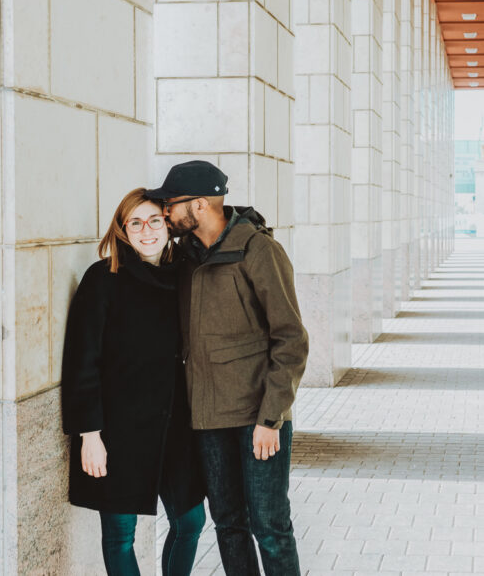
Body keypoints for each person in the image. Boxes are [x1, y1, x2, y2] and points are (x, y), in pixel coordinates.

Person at [146, 161, 308, 576]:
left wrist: (270, 418)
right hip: (208, 421)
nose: (165, 212)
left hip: (258, 420)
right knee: (229, 525)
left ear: (199, 205)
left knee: (270, 526)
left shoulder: (258, 251)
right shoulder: (182, 258)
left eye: (170, 204)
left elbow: (290, 340)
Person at [61, 188, 206, 575]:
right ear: (123, 230)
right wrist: (89, 435)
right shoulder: (104, 279)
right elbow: (81, 361)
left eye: (155, 220)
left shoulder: (185, 277)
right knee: (120, 535)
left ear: (167, 224)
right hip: (117, 430)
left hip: (174, 426)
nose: (147, 230)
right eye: (136, 223)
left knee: (191, 521)